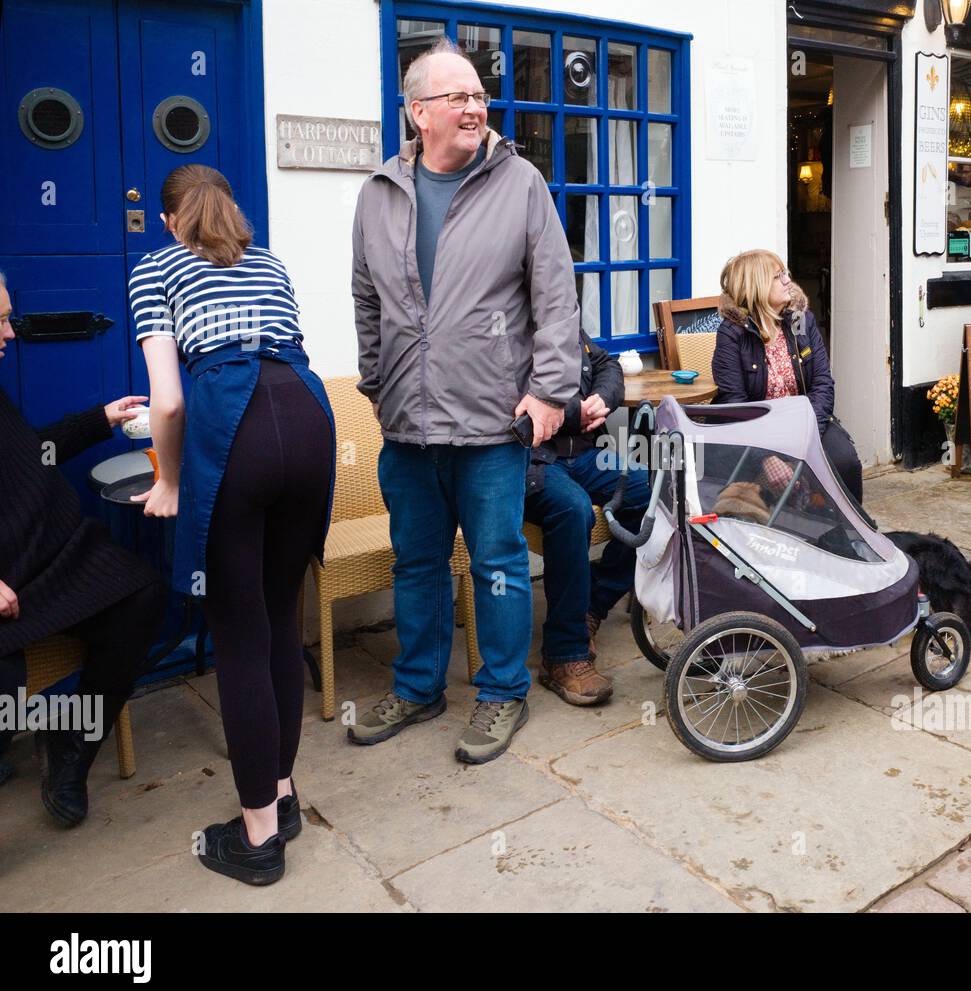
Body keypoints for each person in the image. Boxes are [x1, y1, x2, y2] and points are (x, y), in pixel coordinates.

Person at [349, 39, 579, 761]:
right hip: (407, 426)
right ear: (419, 112)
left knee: (498, 561)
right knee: (415, 563)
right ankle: (418, 687)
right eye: (460, 97)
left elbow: (557, 297)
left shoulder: (520, 184)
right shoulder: (380, 192)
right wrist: (376, 382)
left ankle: (502, 690)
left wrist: (549, 391)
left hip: (490, 426)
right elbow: (366, 298)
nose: (477, 107)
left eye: (480, 95)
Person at [129, 164, 336, 885]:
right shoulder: (269, 261)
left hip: (234, 424)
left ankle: (257, 841)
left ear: (169, 220)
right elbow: (285, 354)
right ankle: (281, 796)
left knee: (240, 634)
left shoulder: (156, 266)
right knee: (282, 617)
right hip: (308, 415)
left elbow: (170, 402)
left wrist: (167, 480)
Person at [0, 271, 168, 821]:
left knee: (141, 596)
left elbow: (32, 454)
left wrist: (99, 421)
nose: (10, 334)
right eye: (0, 321)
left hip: (59, 554)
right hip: (8, 578)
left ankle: (71, 741)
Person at [524, 330, 650, 707]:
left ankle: (592, 607)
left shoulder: (561, 322)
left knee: (652, 490)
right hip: (531, 462)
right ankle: (563, 655)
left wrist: (602, 399)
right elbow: (501, 400)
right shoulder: (501, 322)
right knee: (572, 509)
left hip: (583, 455)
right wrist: (578, 413)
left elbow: (604, 363)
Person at [712, 250, 866, 503]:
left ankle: (848, 536)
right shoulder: (731, 334)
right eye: (777, 276)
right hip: (756, 428)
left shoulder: (802, 321)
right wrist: (765, 456)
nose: (787, 281)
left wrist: (804, 439)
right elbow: (734, 405)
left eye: (786, 274)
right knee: (755, 478)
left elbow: (822, 385)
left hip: (805, 421)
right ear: (756, 286)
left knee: (844, 460)